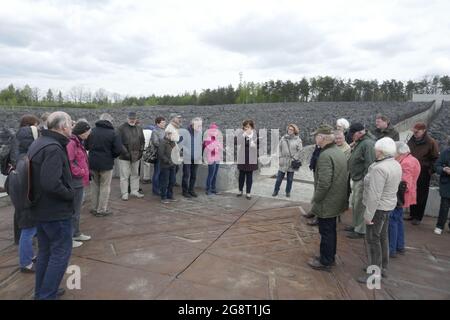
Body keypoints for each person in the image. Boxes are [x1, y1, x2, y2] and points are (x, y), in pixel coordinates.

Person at [29, 111, 75, 300]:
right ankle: (46, 295)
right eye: (70, 123)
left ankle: (42, 292)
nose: (72, 126)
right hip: (55, 212)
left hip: (41, 210)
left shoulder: (39, 142)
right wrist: (70, 194)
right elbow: (50, 183)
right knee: (60, 254)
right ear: (63, 126)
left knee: (46, 253)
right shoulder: (53, 147)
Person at [357, 137, 402, 283]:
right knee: (382, 237)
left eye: (376, 149)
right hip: (388, 206)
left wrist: (368, 215)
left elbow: (374, 195)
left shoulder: (379, 168)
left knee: (372, 240)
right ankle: (383, 267)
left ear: (381, 151)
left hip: (378, 209)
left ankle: (374, 274)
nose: (374, 151)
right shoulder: (395, 163)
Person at [307, 125, 348, 271]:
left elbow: (324, 183)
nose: (314, 138)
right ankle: (329, 256)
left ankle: (325, 261)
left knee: (326, 232)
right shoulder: (337, 151)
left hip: (328, 201)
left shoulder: (325, 155)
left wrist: (316, 199)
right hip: (337, 199)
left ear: (322, 138)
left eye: (316, 136)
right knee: (331, 230)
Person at [10, 114, 40, 272]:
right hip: (27, 200)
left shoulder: (20, 154)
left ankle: (29, 256)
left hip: (20, 196)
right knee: (28, 230)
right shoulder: (28, 159)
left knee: (27, 228)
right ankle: (25, 263)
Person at [86, 113, 123, 216]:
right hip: (106, 163)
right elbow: (119, 149)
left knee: (94, 185)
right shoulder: (113, 133)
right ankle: (101, 209)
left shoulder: (92, 131)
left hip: (92, 162)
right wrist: (112, 156)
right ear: (110, 121)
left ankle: (94, 207)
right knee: (105, 186)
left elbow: (86, 146)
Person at [389, 142, 420, 256]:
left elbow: (404, 184)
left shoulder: (406, 163)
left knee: (392, 221)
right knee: (398, 221)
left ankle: (391, 249)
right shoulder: (413, 160)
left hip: (400, 197)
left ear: (399, 152)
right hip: (404, 197)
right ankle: (399, 246)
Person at [347, 123, 376, 239]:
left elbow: (370, 164)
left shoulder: (368, 143)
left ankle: (360, 230)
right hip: (357, 177)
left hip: (362, 179)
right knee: (355, 203)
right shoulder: (362, 141)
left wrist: (365, 180)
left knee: (360, 204)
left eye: (353, 135)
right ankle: (355, 225)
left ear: (359, 133)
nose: (351, 137)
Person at [406, 122, 439, 225]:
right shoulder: (411, 140)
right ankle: (412, 214)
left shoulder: (431, 142)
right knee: (412, 190)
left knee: (421, 194)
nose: (415, 133)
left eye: (417, 132)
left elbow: (435, 158)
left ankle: (418, 217)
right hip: (411, 170)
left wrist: (429, 170)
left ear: (424, 131)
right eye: (414, 131)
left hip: (423, 172)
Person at [66, 120, 92, 248]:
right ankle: (69, 237)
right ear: (83, 132)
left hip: (79, 180)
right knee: (73, 211)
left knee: (77, 210)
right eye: (88, 131)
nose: (89, 133)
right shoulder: (72, 143)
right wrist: (81, 171)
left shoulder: (78, 142)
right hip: (76, 180)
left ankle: (76, 233)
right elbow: (69, 162)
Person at [118, 112, 145, 201]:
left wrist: (141, 151)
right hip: (124, 156)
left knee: (135, 174)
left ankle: (134, 191)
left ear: (136, 119)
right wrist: (126, 153)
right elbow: (119, 142)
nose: (132, 120)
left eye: (134, 119)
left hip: (136, 155)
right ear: (127, 118)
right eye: (130, 119)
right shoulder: (121, 128)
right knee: (124, 176)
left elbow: (142, 141)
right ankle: (124, 193)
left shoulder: (139, 128)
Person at [272, 124, 303, 198]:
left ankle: (288, 192)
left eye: (291, 129)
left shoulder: (298, 140)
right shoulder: (283, 138)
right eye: (289, 129)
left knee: (290, 179)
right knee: (279, 178)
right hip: (283, 160)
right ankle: (276, 190)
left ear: (294, 131)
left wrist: (295, 158)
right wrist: (279, 157)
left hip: (291, 161)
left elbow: (300, 150)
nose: (290, 130)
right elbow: (279, 148)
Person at [181, 117, 203, 198]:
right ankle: (185, 191)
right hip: (187, 157)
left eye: (200, 125)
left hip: (196, 158)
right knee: (186, 175)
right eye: (198, 125)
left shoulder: (200, 133)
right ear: (192, 124)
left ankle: (191, 190)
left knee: (194, 175)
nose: (199, 127)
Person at [236, 119, 258, 200]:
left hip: (251, 158)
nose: (246, 128)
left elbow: (260, 145)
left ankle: (248, 192)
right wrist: (244, 135)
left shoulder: (255, 134)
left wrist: (255, 146)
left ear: (251, 127)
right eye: (245, 127)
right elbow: (236, 142)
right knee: (241, 175)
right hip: (242, 157)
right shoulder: (241, 133)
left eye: (248, 127)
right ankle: (240, 190)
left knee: (249, 176)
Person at [434, 138, 450, 235]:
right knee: (444, 207)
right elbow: (436, 166)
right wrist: (444, 169)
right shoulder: (445, 152)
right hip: (447, 185)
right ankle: (439, 226)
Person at [158, 131, 179, 203]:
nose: (173, 137)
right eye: (172, 135)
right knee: (165, 181)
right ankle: (163, 197)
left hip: (173, 165)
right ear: (167, 135)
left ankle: (170, 195)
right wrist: (168, 161)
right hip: (165, 165)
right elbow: (161, 154)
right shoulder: (163, 142)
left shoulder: (173, 142)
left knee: (172, 181)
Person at [203, 122, 223, 195]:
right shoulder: (207, 139)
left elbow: (221, 148)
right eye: (214, 130)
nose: (215, 132)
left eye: (216, 130)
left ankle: (213, 188)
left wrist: (218, 146)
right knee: (211, 174)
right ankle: (208, 189)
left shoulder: (217, 139)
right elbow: (210, 148)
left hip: (217, 158)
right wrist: (217, 145)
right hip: (211, 158)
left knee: (215, 174)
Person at [150, 116, 166, 195]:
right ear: (157, 123)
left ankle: (160, 187)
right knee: (157, 172)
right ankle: (155, 190)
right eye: (162, 123)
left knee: (162, 173)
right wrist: (165, 145)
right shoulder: (155, 131)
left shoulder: (164, 131)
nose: (164, 124)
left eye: (164, 122)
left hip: (164, 155)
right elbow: (156, 142)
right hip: (158, 154)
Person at [165, 113, 183, 184]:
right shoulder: (169, 127)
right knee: (173, 167)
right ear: (173, 119)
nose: (179, 119)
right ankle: (169, 182)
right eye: (177, 118)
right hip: (171, 148)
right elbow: (167, 139)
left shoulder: (175, 127)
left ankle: (172, 181)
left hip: (175, 147)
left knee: (176, 167)